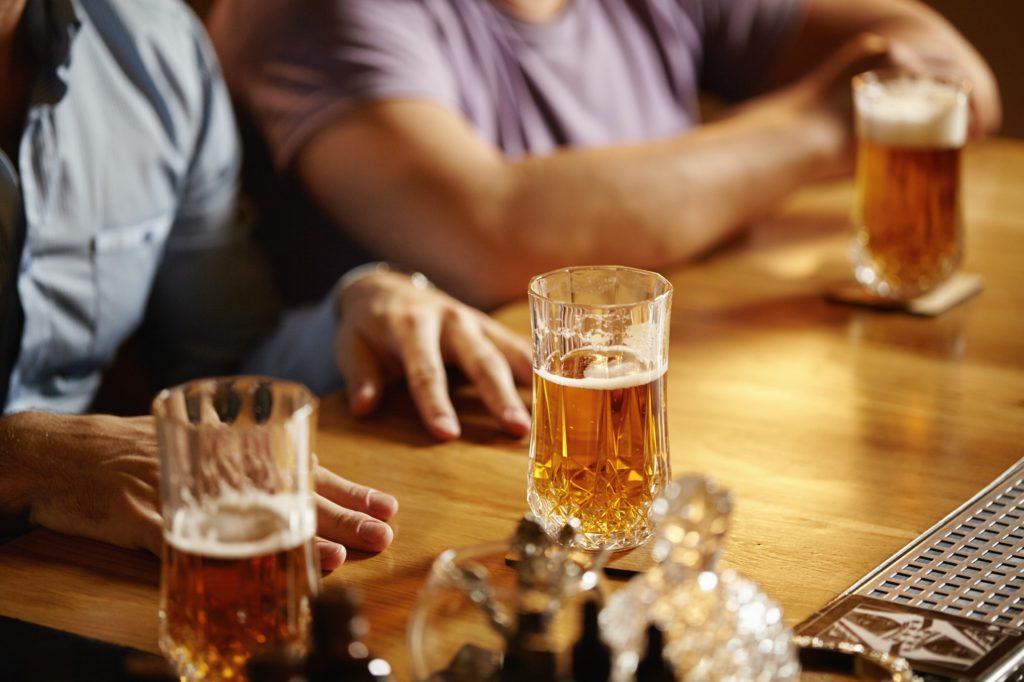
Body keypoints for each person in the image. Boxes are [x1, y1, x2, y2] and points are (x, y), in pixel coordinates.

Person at [0, 0, 532, 570]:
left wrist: (363, 307)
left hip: (69, 570)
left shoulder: (156, 42)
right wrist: (31, 456)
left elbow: (222, 359)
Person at [209, 0, 1001, 310]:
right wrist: (830, 121)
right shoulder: (317, 10)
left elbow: (958, 78)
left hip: (676, 415)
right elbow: (491, 237)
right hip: (446, 480)